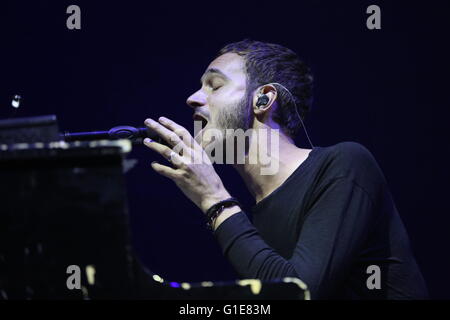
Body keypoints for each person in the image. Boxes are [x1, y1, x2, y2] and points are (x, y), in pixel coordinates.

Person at [142, 39, 428, 299]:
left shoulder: (346, 164)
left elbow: (297, 292)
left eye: (214, 85)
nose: (192, 98)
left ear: (264, 99)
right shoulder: (256, 215)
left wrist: (213, 199)